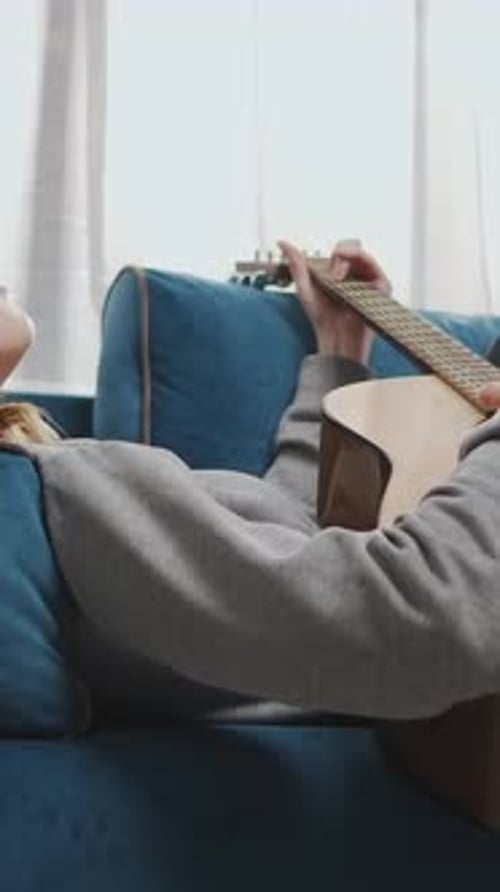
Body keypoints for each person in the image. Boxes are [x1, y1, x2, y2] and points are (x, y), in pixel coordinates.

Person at [4, 239, 500, 726]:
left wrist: (339, 356)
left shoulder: (45, 488)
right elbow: (426, 621)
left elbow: (289, 531)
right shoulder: (37, 495)